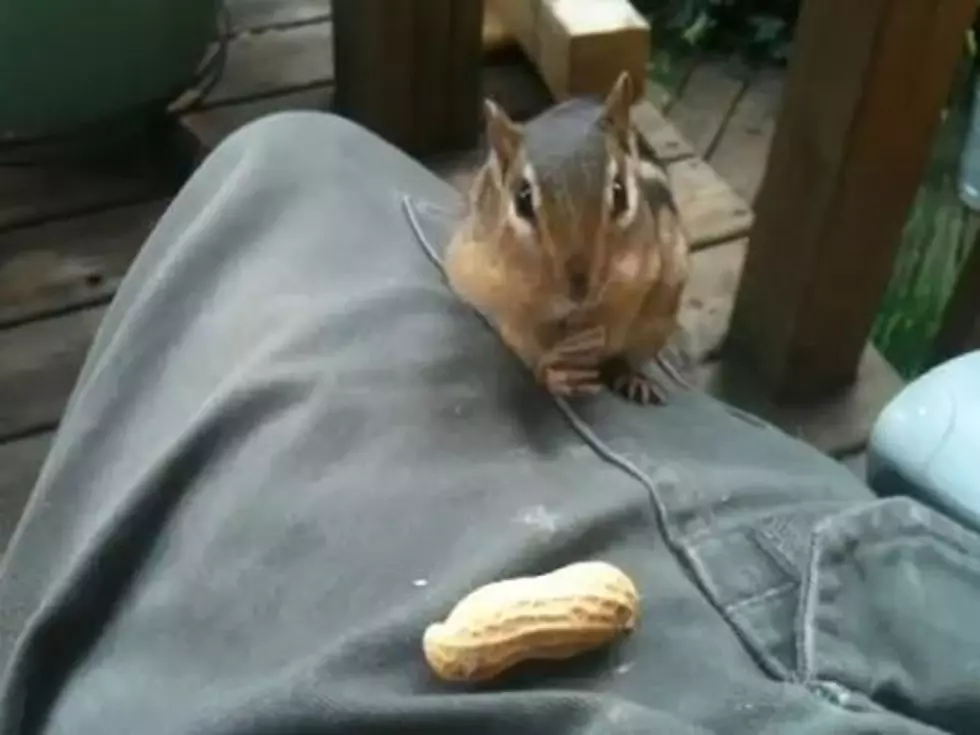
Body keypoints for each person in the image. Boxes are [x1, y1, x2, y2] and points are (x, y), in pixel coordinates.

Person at [1, 111, 978, 735]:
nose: (580, 258)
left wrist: (617, 337)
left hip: (818, 642)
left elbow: (639, 277)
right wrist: (535, 343)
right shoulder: (491, 234)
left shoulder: (630, 224)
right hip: (868, 583)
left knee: (293, 160)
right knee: (290, 155)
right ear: (498, 171)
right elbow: (493, 285)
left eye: (606, 211)